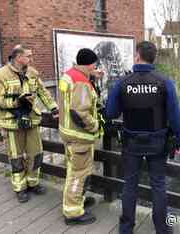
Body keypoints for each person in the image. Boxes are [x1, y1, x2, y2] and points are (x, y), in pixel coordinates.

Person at [105, 41, 180, 234]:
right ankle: (162, 228)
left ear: (137, 56)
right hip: (158, 141)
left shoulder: (122, 83)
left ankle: (126, 229)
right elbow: (174, 116)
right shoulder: (165, 82)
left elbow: (111, 112)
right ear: (153, 57)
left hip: (131, 141)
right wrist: (179, 140)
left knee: (130, 184)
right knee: (158, 184)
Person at [0, 45, 58, 203]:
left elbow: (42, 92)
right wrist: (15, 102)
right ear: (18, 57)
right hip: (11, 123)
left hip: (32, 121)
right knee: (16, 157)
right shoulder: (0, 75)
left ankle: (33, 183)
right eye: (29, 56)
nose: (31, 59)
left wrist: (53, 107)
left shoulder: (32, 73)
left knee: (36, 154)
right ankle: (20, 188)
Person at [58, 48, 104, 225]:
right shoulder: (81, 82)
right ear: (91, 64)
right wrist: (96, 126)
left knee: (73, 170)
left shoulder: (69, 75)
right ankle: (73, 212)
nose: (96, 68)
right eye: (95, 65)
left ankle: (78, 200)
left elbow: (71, 103)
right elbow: (80, 112)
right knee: (78, 174)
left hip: (68, 132)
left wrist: (92, 78)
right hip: (80, 136)